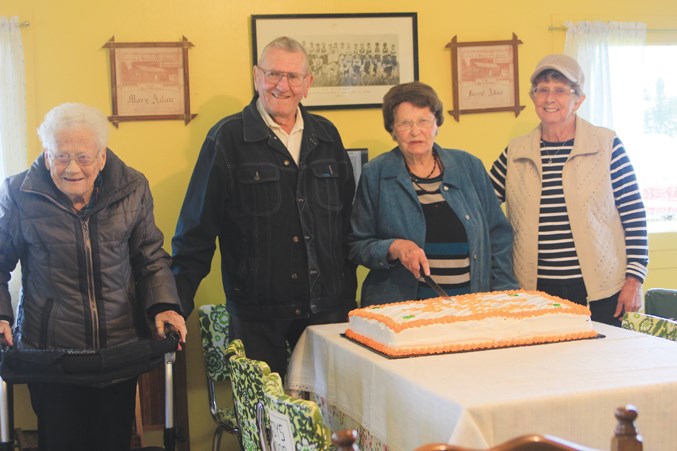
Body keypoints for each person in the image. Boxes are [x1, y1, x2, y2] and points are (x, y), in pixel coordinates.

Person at [0, 103, 187, 451]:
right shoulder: (19, 194)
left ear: (102, 157)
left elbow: (149, 256)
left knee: (112, 440)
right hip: (50, 352)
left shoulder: (132, 187)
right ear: (46, 155)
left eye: (83, 157)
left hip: (117, 350)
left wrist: (164, 305)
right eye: (61, 156)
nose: (72, 168)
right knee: (61, 441)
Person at [171, 36, 357, 378]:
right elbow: (195, 233)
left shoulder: (327, 136)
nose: (281, 86)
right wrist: (174, 306)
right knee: (265, 427)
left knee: (332, 422)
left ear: (307, 84)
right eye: (273, 74)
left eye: (292, 76)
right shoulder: (226, 138)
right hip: (258, 317)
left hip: (328, 312)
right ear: (257, 77)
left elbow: (350, 223)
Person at [489, 54, 649, 327]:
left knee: (602, 365)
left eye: (560, 90)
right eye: (543, 90)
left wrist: (634, 280)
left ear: (579, 100)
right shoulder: (516, 152)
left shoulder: (606, 144)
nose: (550, 98)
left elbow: (634, 214)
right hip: (535, 293)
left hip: (602, 291)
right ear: (534, 97)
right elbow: (481, 204)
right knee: (546, 367)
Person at [348, 81, 517, 306]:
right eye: (405, 123)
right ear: (392, 129)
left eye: (423, 121)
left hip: (471, 306)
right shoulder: (376, 174)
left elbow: (498, 236)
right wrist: (395, 247)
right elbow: (357, 245)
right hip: (402, 311)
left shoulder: (468, 167)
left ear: (436, 124)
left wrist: (505, 296)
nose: (415, 131)